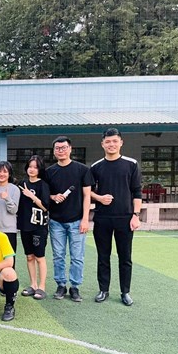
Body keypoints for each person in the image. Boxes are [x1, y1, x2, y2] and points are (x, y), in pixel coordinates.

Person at [90, 128, 142, 306]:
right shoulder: (96, 167)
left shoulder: (131, 164)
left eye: (114, 141)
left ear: (121, 142)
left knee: (125, 257)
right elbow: (88, 192)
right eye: (108, 141)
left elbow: (137, 191)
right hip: (102, 218)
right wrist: (100, 198)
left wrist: (135, 215)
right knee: (103, 256)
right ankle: (103, 290)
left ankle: (125, 292)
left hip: (125, 218)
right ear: (102, 144)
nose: (111, 144)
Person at [45, 136, 93, 302]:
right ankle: (61, 285)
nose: (61, 151)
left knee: (77, 257)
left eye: (64, 147)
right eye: (57, 148)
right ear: (54, 151)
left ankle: (75, 287)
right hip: (56, 221)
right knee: (58, 256)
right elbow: (44, 194)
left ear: (70, 149)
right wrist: (53, 196)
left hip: (77, 220)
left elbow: (87, 196)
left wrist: (85, 219)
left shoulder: (82, 170)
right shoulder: (49, 172)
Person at [17, 156, 50, 300]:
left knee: (39, 257)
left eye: (35, 167)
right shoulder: (22, 183)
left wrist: (32, 196)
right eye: (30, 166)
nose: (32, 169)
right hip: (25, 226)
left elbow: (45, 207)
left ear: (40, 169)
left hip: (38, 226)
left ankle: (42, 287)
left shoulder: (43, 185)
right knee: (29, 256)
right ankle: (33, 284)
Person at [0, 161, 20, 263]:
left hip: (9, 230)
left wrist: (7, 198)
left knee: (9, 262)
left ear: (9, 173)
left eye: (5, 171)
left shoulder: (14, 189)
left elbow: (14, 210)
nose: (2, 174)